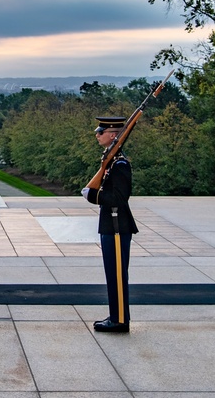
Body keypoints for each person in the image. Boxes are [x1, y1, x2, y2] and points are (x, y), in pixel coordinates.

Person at [81, 116, 137, 333]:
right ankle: (116, 315)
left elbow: (119, 198)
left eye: (100, 131)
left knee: (117, 275)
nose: (97, 134)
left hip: (117, 226)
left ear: (113, 135)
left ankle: (120, 320)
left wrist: (94, 196)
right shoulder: (112, 161)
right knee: (112, 274)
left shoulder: (120, 164)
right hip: (110, 225)